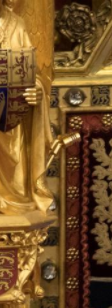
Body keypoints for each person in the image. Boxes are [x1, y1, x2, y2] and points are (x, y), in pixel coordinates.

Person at [0, 0, 54, 214]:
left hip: (10, 121)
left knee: (17, 184)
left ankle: (12, 198)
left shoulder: (17, 24)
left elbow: (31, 75)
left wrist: (37, 91)